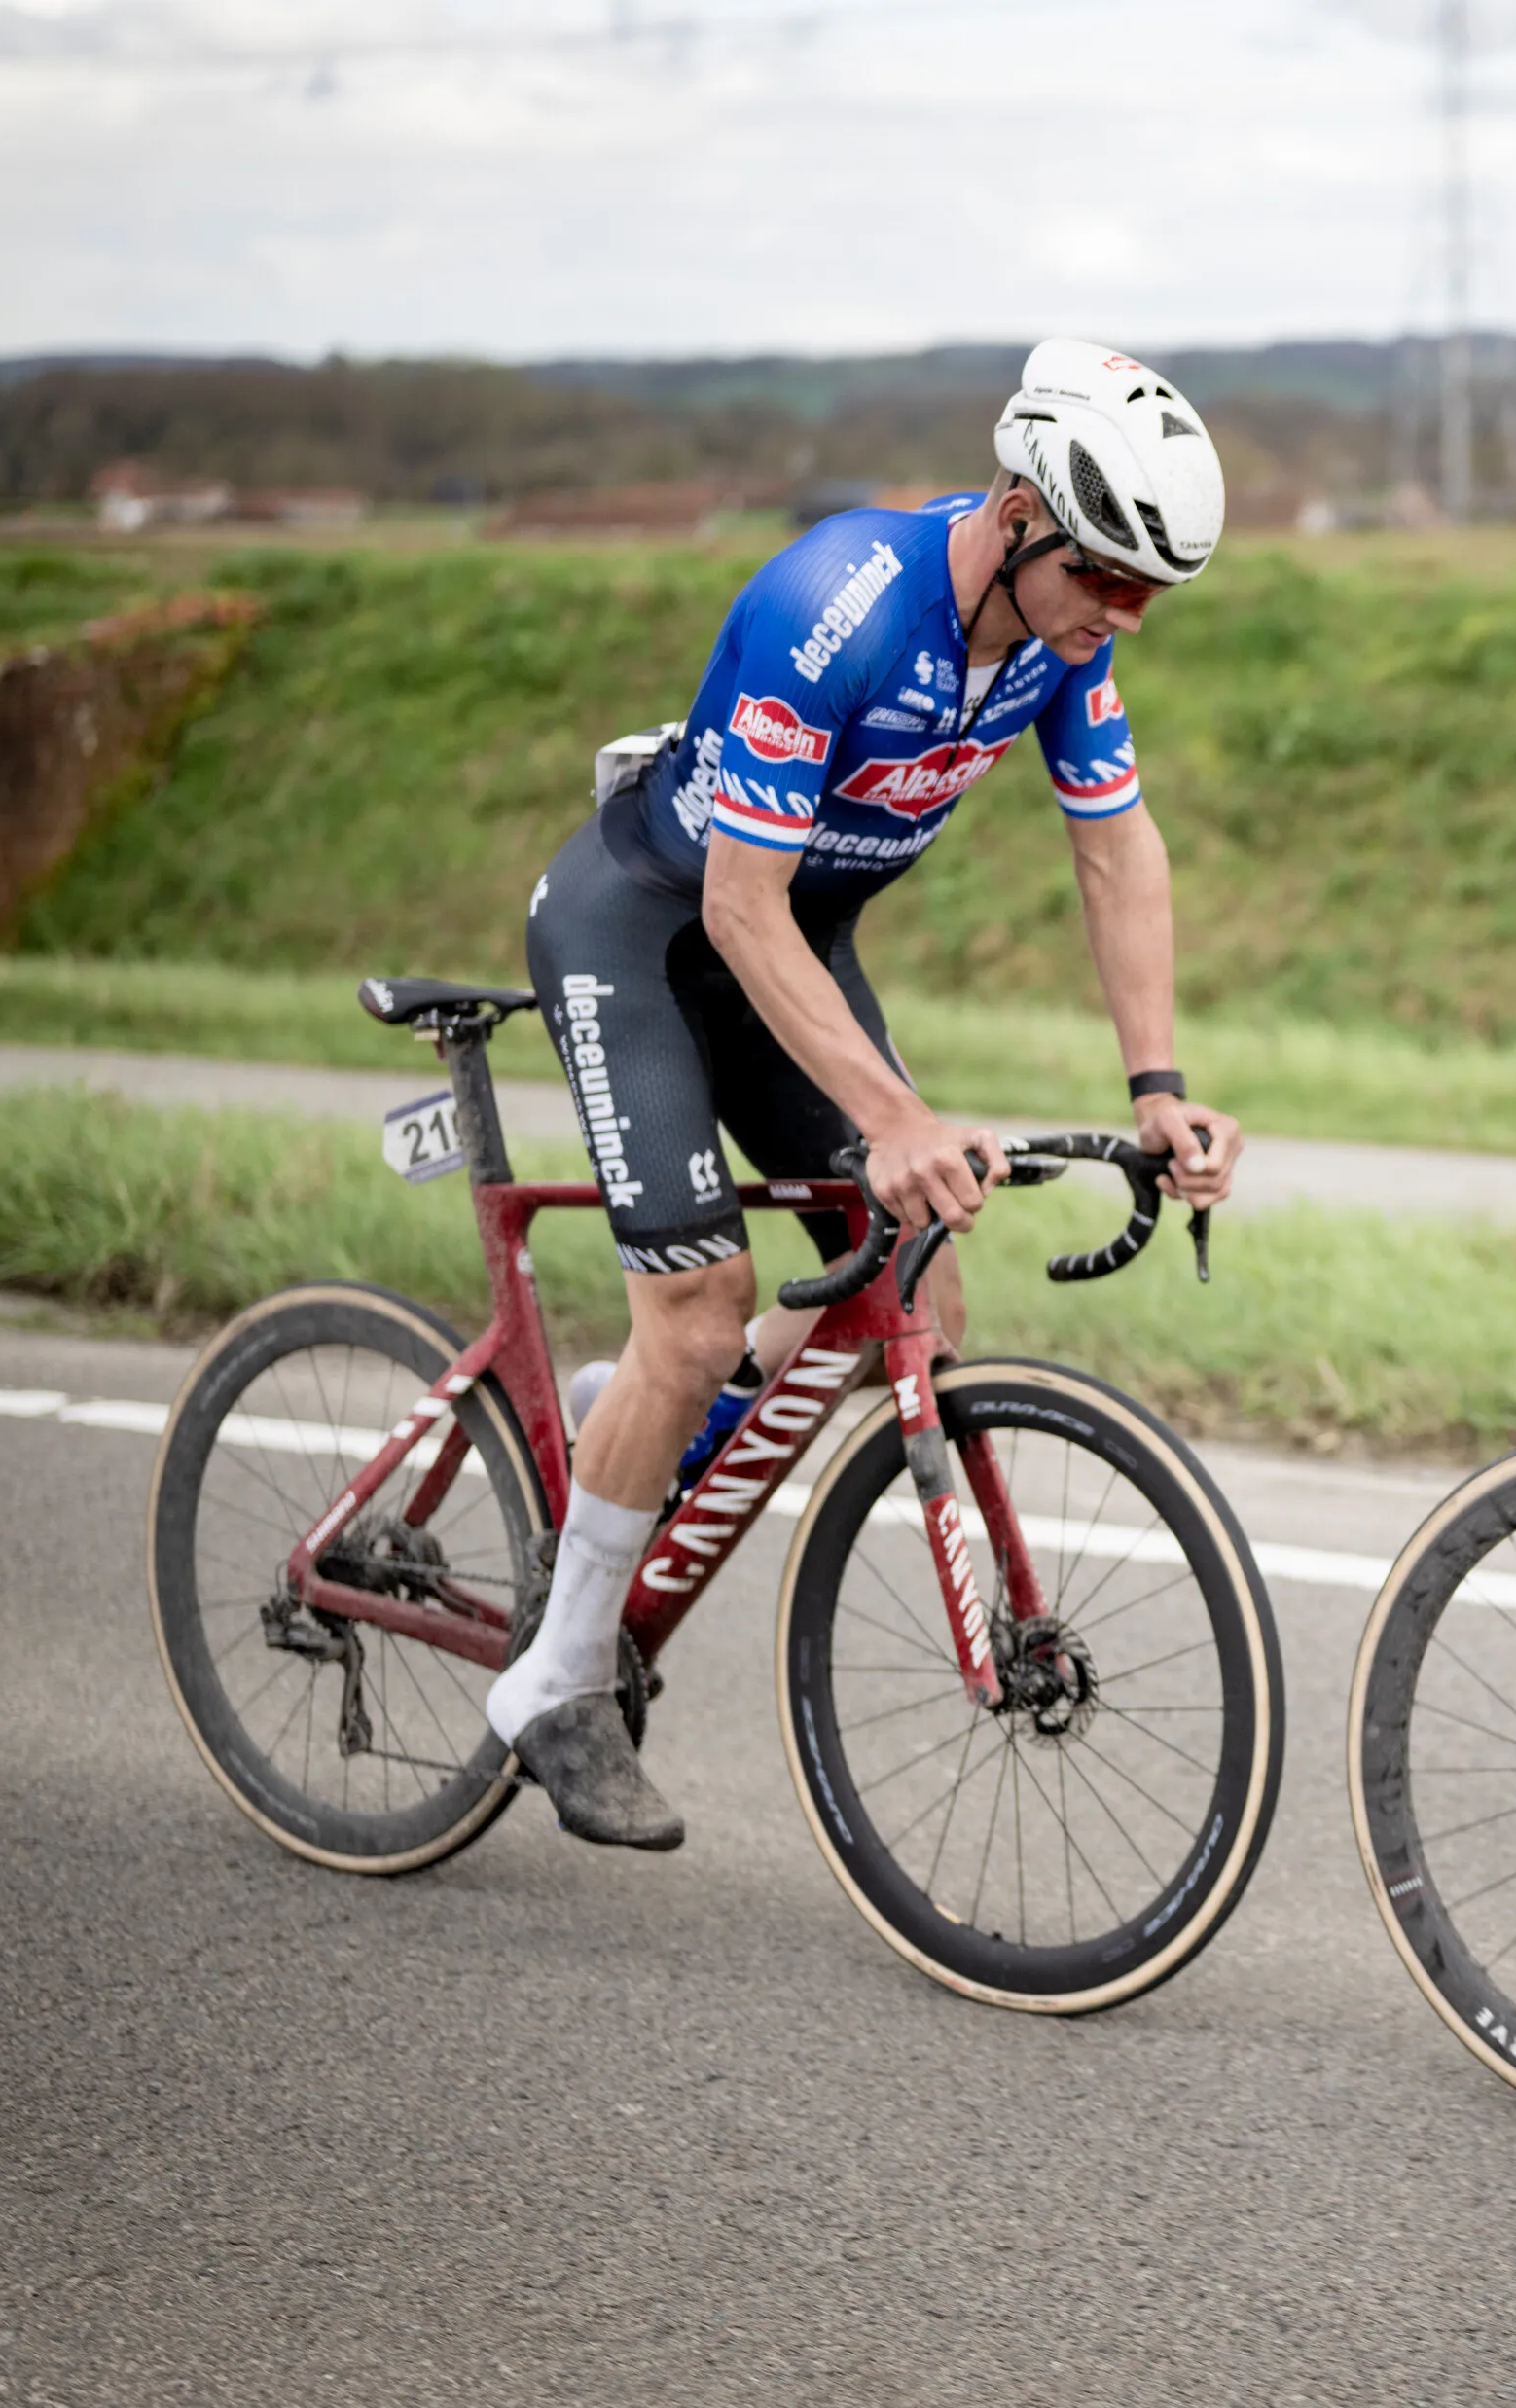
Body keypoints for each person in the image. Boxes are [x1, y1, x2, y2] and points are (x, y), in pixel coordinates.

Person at [492, 339, 1244, 1849]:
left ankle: (627, 1417)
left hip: (794, 953)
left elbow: (1117, 849)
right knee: (699, 1310)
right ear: (1021, 510)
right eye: (1106, 575)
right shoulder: (834, 604)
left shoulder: (1061, 645)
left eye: (1154, 591)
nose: (1126, 616)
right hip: (649, 933)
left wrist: (1158, 1085)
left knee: (924, 1291)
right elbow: (739, 915)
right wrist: (895, 1117)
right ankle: (558, 1679)